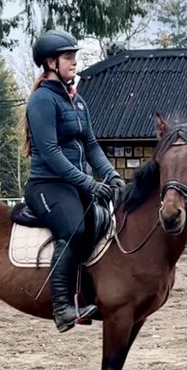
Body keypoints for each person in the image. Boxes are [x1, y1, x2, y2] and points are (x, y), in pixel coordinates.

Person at [23, 29, 125, 333]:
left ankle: (88, 293)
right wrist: (89, 183)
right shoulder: (42, 101)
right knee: (75, 229)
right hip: (47, 185)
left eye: (75, 57)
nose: (74, 63)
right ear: (51, 62)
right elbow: (51, 153)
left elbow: (92, 146)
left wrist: (111, 175)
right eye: (68, 58)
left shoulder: (77, 101)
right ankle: (62, 308)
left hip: (74, 184)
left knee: (102, 222)